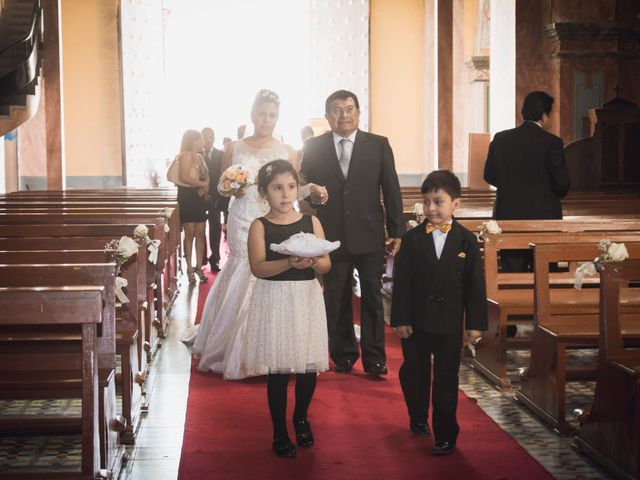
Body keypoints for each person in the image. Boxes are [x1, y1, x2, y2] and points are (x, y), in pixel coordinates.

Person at [182, 89, 327, 379]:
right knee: (245, 267)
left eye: (272, 115)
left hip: (275, 218)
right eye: (262, 114)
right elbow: (221, 187)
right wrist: (232, 187)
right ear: (252, 114)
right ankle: (236, 349)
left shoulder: (287, 150)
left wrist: (309, 190)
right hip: (243, 216)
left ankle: (273, 346)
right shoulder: (234, 147)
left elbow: (291, 190)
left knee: (272, 269)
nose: (267, 120)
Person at [300, 89, 404, 376]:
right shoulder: (314, 147)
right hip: (331, 233)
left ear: (358, 113)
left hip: (369, 232)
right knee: (337, 296)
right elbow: (305, 190)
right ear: (327, 116)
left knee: (372, 296)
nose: (343, 115)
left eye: (348, 109)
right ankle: (343, 354)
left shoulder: (378, 144)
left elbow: (390, 187)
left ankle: (375, 359)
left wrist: (397, 229)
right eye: (336, 110)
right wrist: (313, 199)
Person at [391, 170, 488, 456]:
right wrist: (400, 319)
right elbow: (402, 282)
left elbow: (474, 286)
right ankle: (418, 416)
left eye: (438, 202)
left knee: (447, 380)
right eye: (427, 202)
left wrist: (475, 325)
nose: (431, 208)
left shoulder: (466, 240)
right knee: (414, 374)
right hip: (416, 321)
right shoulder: (411, 239)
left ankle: (446, 434)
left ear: (455, 204)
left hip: (449, 320)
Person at [244, 160, 330, 458]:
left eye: (291, 187)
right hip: (275, 297)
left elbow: (327, 263)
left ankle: (301, 417)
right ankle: (279, 431)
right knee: (279, 369)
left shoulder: (311, 222)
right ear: (264, 192)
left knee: (307, 367)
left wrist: (314, 261)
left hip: (306, 297)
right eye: (277, 188)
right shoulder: (260, 226)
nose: (285, 194)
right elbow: (258, 268)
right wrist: (288, 262)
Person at [483, 90, 571, 272]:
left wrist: (510, 187)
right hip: (545, 221)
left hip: (508, 217)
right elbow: (562, 183)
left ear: (524, 113)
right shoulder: (552, 142)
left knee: (512, 273)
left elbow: (489, 175)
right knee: (544, 274)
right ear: (544, 116)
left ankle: (513, 300)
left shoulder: (501, 139)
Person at [175, 129, 209, 284]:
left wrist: (205, 185)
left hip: (198, 197)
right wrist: (202, 184)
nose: (203, 142)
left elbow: (203, 175)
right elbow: (184, 177)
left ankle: (199, 267)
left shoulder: (200, 157)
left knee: (201, 233)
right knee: (189, 233)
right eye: (200, 139)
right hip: (187, 196)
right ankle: (189, 268)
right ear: (193, 141)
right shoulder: (186, 155)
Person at [201, 127, 229, 272]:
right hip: (198, 198)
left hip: (216, 198)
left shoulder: (221, 154)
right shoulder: (195, 154)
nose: (208, 139)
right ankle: (202, 258)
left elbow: (224, 176)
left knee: (215, 229)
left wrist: (219, 196)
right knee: (199, 230)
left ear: (214, 138)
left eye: (211, 137)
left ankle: (215, 259)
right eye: (205, 137)